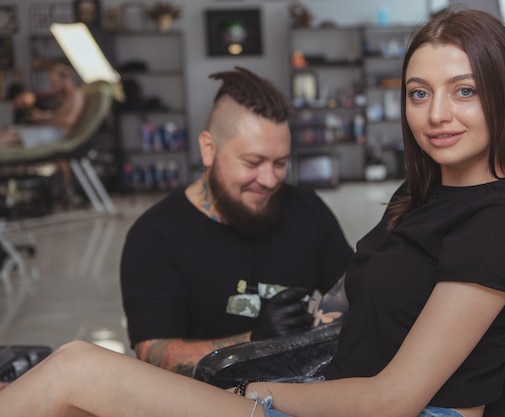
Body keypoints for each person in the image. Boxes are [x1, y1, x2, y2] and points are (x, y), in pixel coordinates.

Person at [0, 9, 505, 417]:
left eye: (464, 90)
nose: (438, 115)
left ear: (500, 94)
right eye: (419, 93)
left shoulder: (499, 220)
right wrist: (254, 351)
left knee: (74, 367)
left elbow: (393, 399)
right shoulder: (424, 193)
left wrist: (250, 394)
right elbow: (352, 311)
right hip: (334, 389)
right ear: (209, 150)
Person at [119, 66, 354, 376]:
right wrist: (255, 342)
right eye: (253, 163)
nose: (269, 180)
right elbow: (153, 354)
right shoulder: (155, 236)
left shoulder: (307, 210)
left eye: (280, 163)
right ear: (209, 149)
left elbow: (357, 293)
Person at [0, 63, 84, 148]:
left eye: (54, 83)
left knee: (14, 136)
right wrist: (42, 116)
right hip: (51, 129)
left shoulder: (76, 96)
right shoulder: (62, 98)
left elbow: (68, 121)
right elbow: (56, 116)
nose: (53, 87)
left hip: (59, 134)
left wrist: (42, 119)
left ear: (64, 79)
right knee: (8, 132)